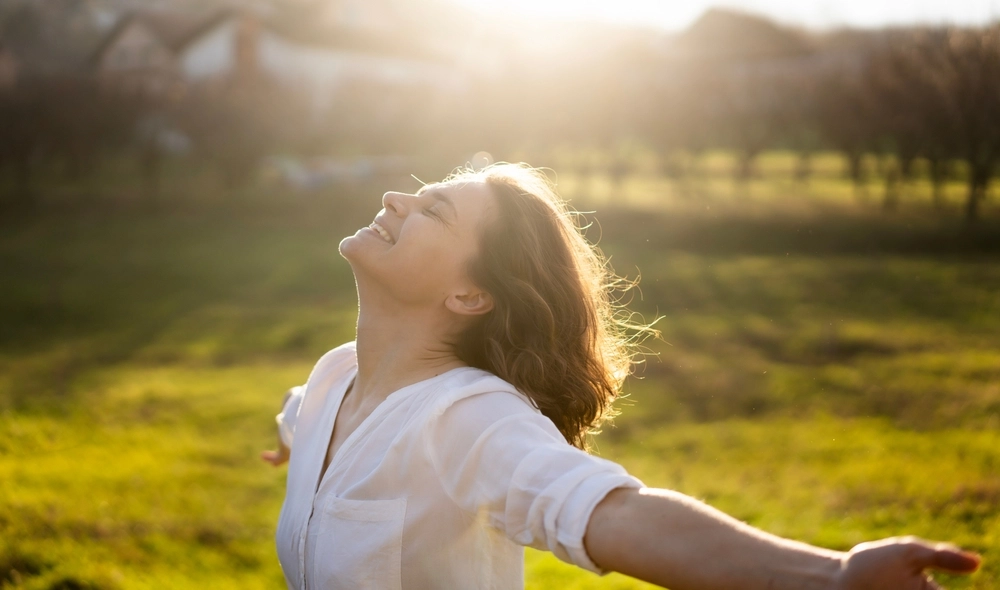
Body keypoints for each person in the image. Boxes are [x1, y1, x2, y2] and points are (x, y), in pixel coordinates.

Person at [262, 163, 981, 589]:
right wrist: (293, 439)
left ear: (471, 296)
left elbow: (613, 515)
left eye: (432, 209)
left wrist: (832, 579)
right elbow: (306, 416)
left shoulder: (468, 418)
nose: (395, 199)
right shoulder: (334, 381)